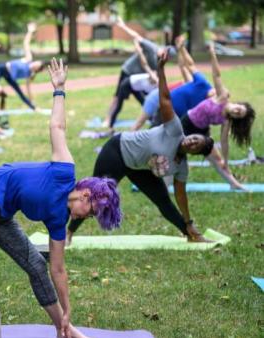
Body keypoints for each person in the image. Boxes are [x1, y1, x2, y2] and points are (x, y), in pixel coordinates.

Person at [0, 58, 122, 338]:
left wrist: (67, 310)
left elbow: (58, 268)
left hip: (0, 216)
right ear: (86, 194)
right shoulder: (64, 171)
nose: (86, 217)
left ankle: (65, 330)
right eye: (91, 211)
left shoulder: (59, 219)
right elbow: (57, 127)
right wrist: (59, 90)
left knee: (35, 264)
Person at [68, 50, 215, 244]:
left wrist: (188, 221)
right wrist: (160, 69)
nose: (192, 142)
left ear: (194, 152)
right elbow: (165, 99)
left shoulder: (181, 167)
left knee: (163, 201)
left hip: (139, 168)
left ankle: (189, 233)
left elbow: (180, 196)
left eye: (196, 145)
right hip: (117, 152)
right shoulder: (174, 129)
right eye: (195, 138)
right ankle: (68, 233)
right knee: (94, 197)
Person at [180, 41, 255, 190]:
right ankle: (164, 181)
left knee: (217, 159)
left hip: (201, 132)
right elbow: (217, 74)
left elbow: (224, 142)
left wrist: (226, 162)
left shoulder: (226, 121)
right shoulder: (222, 97)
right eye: (239, 108)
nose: (237, 112)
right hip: (187, 122)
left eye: (239, 115)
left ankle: (234, 184)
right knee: (176, 152)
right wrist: (212, 52)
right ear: (237, 104)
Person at [103, 16, 175, 129]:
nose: (166, 58)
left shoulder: (161, 61)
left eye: (169, 58)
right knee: (118, 96)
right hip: (129, 70)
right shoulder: (152, 48)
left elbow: (155, 74)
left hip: (139, 76)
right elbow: (136, 36)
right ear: (164, 50)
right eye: (166, 55)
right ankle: (108, 119)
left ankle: (152, 118)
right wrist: (123, 26)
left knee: (147, 97)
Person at [131, 34, 214, 130]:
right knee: (141, 123)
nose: (214, 94)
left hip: (170, 107)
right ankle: (127, 139)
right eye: (215, 92)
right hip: (157, 97)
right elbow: (184, 66)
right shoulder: (197, 83)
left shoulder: (202, 102)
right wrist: (181, 49)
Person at [0, 23, 45, 110]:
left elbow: (28, 89)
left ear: (37, 69)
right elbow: (26, 43)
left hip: (10, 77)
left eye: (37, 65)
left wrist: (32, 100)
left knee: (20, 92)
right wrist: (30, 31)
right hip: (2, 68)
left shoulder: (30, 74)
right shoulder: (28, 59)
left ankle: (33, 107)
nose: (34, 63)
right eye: (36, 62)